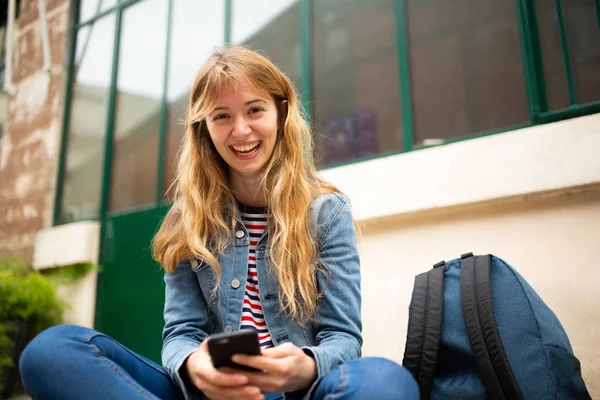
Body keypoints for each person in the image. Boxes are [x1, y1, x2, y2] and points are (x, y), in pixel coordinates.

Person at [19, 46, 418, 400]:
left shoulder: (326, 213)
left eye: (255, 109)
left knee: (386, 381)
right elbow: (181, 335)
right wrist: (195, 367)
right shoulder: (186, 220)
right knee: (51, 351)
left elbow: (343, 339)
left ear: (280, 111)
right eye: (221, 116)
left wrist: (307, 366)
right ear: (204, 129)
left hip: (302, 393)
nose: (240, 129)